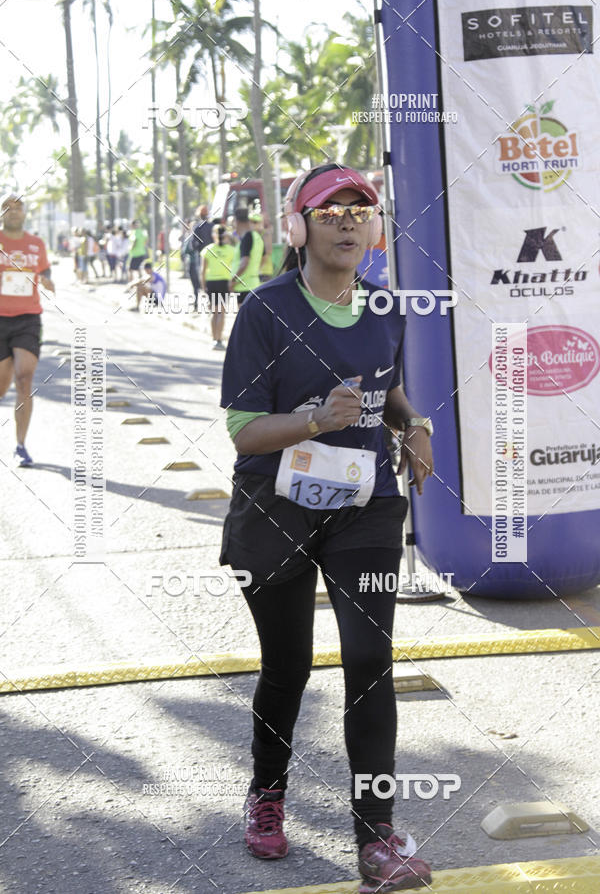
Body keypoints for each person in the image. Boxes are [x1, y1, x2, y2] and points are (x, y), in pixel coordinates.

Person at [220, 164, 434, 891]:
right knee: (289, 668)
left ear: (372, 228)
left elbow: (389, 387)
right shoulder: (264, 310)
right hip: (276, 510)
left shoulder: (385, 306)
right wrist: (315, 420)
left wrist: (414, 425)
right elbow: (245, 432)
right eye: (330, 210)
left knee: (370, 660)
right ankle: (268, 794)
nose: (347, 221)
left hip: (365, 508)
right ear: (299, 226)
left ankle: (378, 840)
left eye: (360, 209)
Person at [0, 194, 55, 466]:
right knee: (2, 384)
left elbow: (46, 271)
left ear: (24, 213)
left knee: (24, 379)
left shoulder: (36, 244)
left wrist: (47, 281)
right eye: (7, 208)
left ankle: (20, 446)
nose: (13, 212)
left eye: (18, 208)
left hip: (28, 318)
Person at [200, 224, 235, 350]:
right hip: (224, 282)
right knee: (221, 312)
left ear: (213, 235)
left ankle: (214, 339)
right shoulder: (231, 250)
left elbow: (202, 271)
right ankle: (219, 340)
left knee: (214, 312)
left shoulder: (207, 250)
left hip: (211, 282)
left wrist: (203, 287)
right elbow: (235, 268)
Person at [229, 207, 264, 305]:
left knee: (244, 319)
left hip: (243, 287)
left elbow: (244, 263)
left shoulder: (247, 237)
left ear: (236, 221)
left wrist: (232, 281)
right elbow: (263, 258)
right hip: (253, 284)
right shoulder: (257, 237)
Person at [188, 204, 214, 311]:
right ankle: (211, 302)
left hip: (201, 257)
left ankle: (196, 304)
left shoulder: (197, 227)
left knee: (198, 281)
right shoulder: (212, 226)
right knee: (210, 279)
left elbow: (193, 245)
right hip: (213, 257)